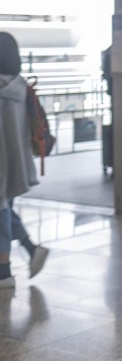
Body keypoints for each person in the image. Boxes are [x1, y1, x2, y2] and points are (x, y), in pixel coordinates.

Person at [0, 32, 48, 289]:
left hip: (2, 161)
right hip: (16, 159)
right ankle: (31, 249)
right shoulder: (19, 85)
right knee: (4, 208)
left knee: (1, 212)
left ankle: (4, 273)